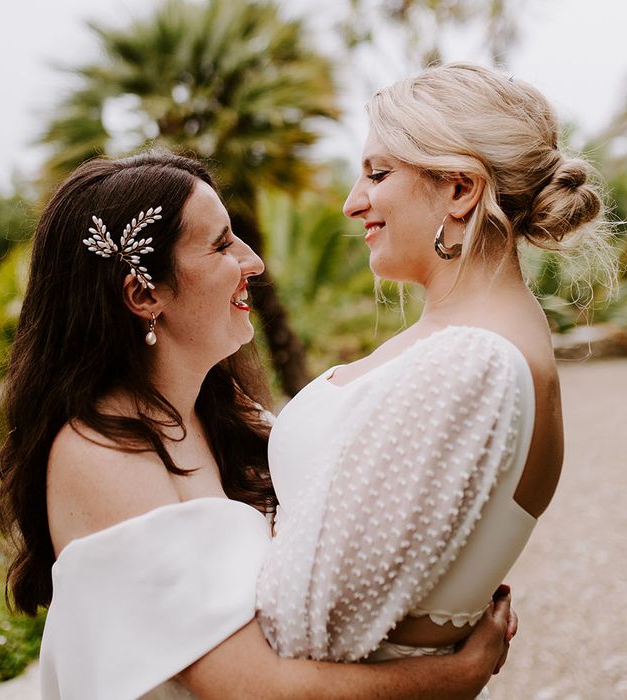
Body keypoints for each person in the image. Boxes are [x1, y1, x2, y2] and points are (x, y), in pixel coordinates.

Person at [0, 150, 515, 700]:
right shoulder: (98, 453)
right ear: (144, 294)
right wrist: (457, 675)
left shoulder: (224, 412)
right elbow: (245, 687)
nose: (254, 261)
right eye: (221, 245)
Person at [255, 62, 613, 696]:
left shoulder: (470, 365)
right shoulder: (470, 347)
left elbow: (309, 624)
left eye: (378, 172)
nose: (351, 201)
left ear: (459, 190)